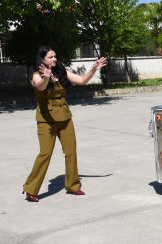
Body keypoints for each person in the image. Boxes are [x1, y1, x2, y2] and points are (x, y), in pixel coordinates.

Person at [22, 46, 106, 202]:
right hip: (46, 121)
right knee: (45, 153)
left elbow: (82, 80)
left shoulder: (60, 72)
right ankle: (31, 189)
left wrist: (94, 69)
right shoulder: (36, 75)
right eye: (50, 57)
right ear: (42, 60)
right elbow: (40, 86)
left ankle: (73, 186)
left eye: (55, 56)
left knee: (71, 151)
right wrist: (46, 77)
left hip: (65, 118)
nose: (54, 59)